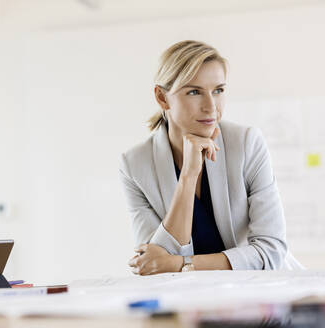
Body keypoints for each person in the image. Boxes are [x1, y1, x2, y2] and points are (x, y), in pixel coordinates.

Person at [120, 40, 299, 275]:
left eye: (218, 90)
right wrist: (188, 176)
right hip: (190, 305)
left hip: (260, 299)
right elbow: (154, 265)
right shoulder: (135, 165)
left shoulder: (247, 144)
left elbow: (271, 251)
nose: (211, 107)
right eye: (194, 92)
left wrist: (182, 264)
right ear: (162, 98)